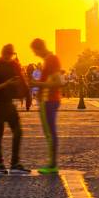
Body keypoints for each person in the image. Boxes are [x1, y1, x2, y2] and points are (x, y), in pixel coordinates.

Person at [0, 43, 30, 173]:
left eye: (13, 54)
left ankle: (15, 163)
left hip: (9, 103)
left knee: (18, 131)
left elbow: (21, 79)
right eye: (10, 54)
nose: (11, 57)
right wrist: (6, 84)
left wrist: (24, 94)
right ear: (4, 53)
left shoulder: (12, 64)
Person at [29, 37, 63, 175]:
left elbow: (58, 82)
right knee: (50, 132)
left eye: (35, 51)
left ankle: (52, 165)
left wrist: (37, 84)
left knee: (50, 132)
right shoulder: (50, 60)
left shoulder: (51, 60)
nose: (35, 54)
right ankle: (52, 164)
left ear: (39, 48)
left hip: (49, 100)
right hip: (48, 100)